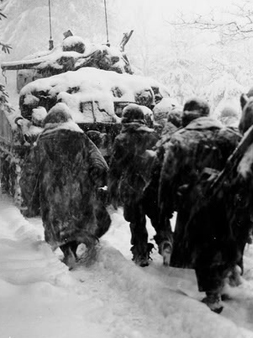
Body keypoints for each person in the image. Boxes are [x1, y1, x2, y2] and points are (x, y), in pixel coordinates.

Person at [23, 106, 111, 268]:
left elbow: (29, 171)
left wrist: (29, 198)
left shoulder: (43, 141)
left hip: (52, 194)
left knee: (57, 224)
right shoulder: (81, 138)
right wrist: (95, 182)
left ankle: (67, 252)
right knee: (82, 221)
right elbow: (101, 165)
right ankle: (78, 245)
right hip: (80, 192)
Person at [107, 104, 159, 266]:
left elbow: (115, 168)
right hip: (153, 187)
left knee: (137, 222)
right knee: (159, 219)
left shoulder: (121, 140)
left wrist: (113, 190)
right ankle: (166, 243)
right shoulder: (154, 136)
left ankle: (141, 252)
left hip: (131, 188)